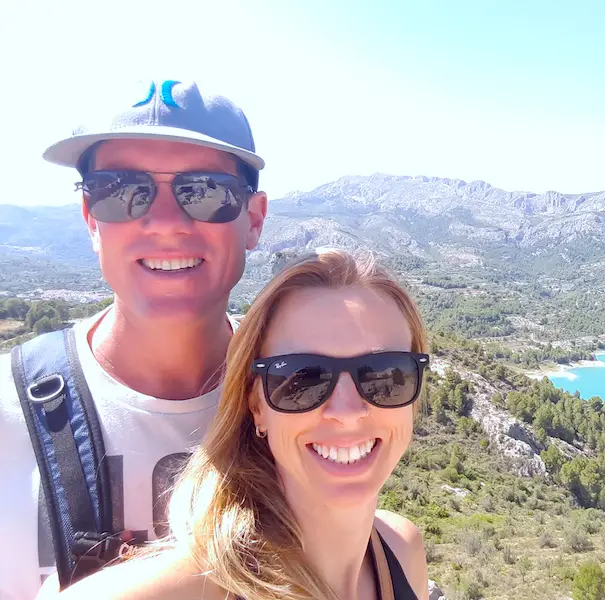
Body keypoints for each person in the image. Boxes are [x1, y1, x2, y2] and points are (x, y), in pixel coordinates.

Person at [0, 80, 268, 599]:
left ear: (253, 220)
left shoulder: (311, 401)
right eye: (120, 191)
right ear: (90, 220)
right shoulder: (8, 415)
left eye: (205, 191)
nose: (165, 223)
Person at [47, 249, 429, 600]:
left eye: (384, 374)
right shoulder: (186, 588)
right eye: (302, 379)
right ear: (256, 407)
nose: (346, 411)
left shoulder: (399, 548)